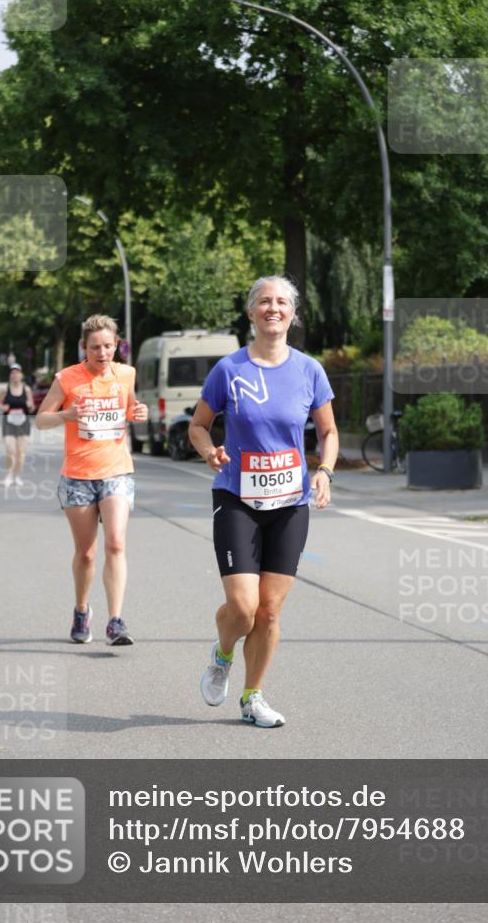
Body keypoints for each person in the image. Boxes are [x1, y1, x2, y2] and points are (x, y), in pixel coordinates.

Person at [188, 276, 338, 728]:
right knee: (243, 608)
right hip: (237, 497)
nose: (274, 308)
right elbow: (198, 425)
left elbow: (328, 431)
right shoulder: (229, 369)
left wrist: (325, 471)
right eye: (265, 302)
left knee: (269, 610)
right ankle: (222, 654)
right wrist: (209, 452)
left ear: (292, 313)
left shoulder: (309, 370)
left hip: (289, 502)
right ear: (251, 312)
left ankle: (252, 697)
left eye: (282, 302)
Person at [35, 314, 148, 647]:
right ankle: (82, 610)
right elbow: (41, 419)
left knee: (116, 543)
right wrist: (66, 414)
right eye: (95, 347)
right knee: (86, 553)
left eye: (108, 346)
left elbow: (130, 408)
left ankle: (115, 621)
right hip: (78, 477)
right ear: (84, 347)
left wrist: (137, 412)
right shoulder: (67, 378)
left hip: (116, 470)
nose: (102, 353)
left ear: (117, 346)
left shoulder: (126, 374)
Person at [0, 364, 34, 487]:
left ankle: (17, 476)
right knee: (10, 450)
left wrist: (30, 406)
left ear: (21, 375)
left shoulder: (27, 390)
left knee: (21, 452)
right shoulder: (5, 390)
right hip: (8, 423)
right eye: (12, 373)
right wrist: (3, 407)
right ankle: (9, 475)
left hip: (23, 423)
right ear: (10, 375)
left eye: (17, 372)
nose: (15, 375)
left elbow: (32, 407)